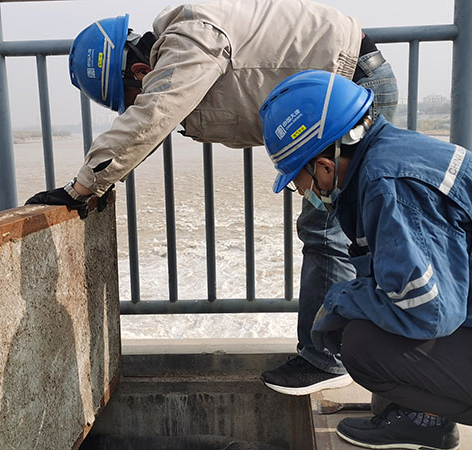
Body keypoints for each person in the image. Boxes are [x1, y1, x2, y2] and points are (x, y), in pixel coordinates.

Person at [25, 0, 398, 396]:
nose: (136, 104)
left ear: (140, 72)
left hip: (351, 91)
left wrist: (81, 187)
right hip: (341, 93)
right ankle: (374, 360)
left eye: (132, 97)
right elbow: (153, 119)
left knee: (328, 231)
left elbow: (154, 114)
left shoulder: (189, 39)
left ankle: (330, 359)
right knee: (353, 230)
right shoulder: (185, 40)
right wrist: (101, 179)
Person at [260, 69, 472, 450]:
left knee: (362, 346)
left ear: (323, 166)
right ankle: (428, 419)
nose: (301, 190)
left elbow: (431, 313)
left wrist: (338, 301)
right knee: (365, 326)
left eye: (297, 181)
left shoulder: (387, 186)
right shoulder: (390, 157)